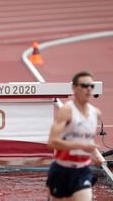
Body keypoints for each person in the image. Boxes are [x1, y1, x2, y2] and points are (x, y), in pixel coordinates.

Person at [46, 71, 105, 201]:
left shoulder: (95, 113)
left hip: (82, 171)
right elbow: (52, 142)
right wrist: (80, 146)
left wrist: (95, 155)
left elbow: (87, 140)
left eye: (91, 86)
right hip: (61, 170)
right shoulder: (67, 111)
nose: (88, 89)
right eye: (84, 85)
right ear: (74, 88)